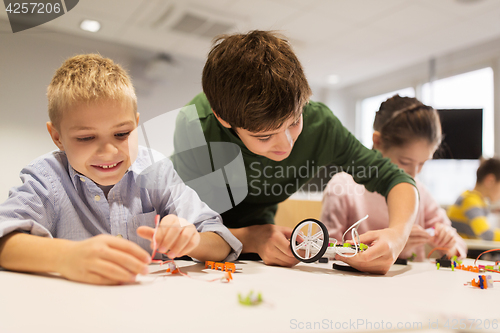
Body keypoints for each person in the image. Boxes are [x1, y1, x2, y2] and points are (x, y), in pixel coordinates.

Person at [171, 30, 419, 274]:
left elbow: (396, 178)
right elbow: (188, 227)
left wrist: (397, 236)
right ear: (223, 119)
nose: (286, 145)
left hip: (261, 246)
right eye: (265, 136)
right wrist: (253, 237)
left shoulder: (321, 125)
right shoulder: (196, 126)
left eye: (294, 122)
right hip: (196, 250)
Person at [0, 54, 242, 285]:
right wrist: (65, 256)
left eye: (121, 134)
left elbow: (221, 241)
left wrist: (192, 240)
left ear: (136, 125)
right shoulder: (46, 177)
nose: (108, 152)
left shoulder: (157, 171)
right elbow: (4, 239)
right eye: (85, 138)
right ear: (57, 137)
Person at [321, 95, 466, 261]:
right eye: (405, 162)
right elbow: (326, 252)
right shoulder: (343, 187)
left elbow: (460, 247)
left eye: (422, 163)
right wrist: (397, 243)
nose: (413, 173)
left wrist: (448, 244)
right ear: (377, 141)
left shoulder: (419, 191)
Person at [447, 157, 500, 242]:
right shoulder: (470, 201)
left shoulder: (476, 200)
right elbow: (486, 234)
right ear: (490, 181)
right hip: (463, 250)